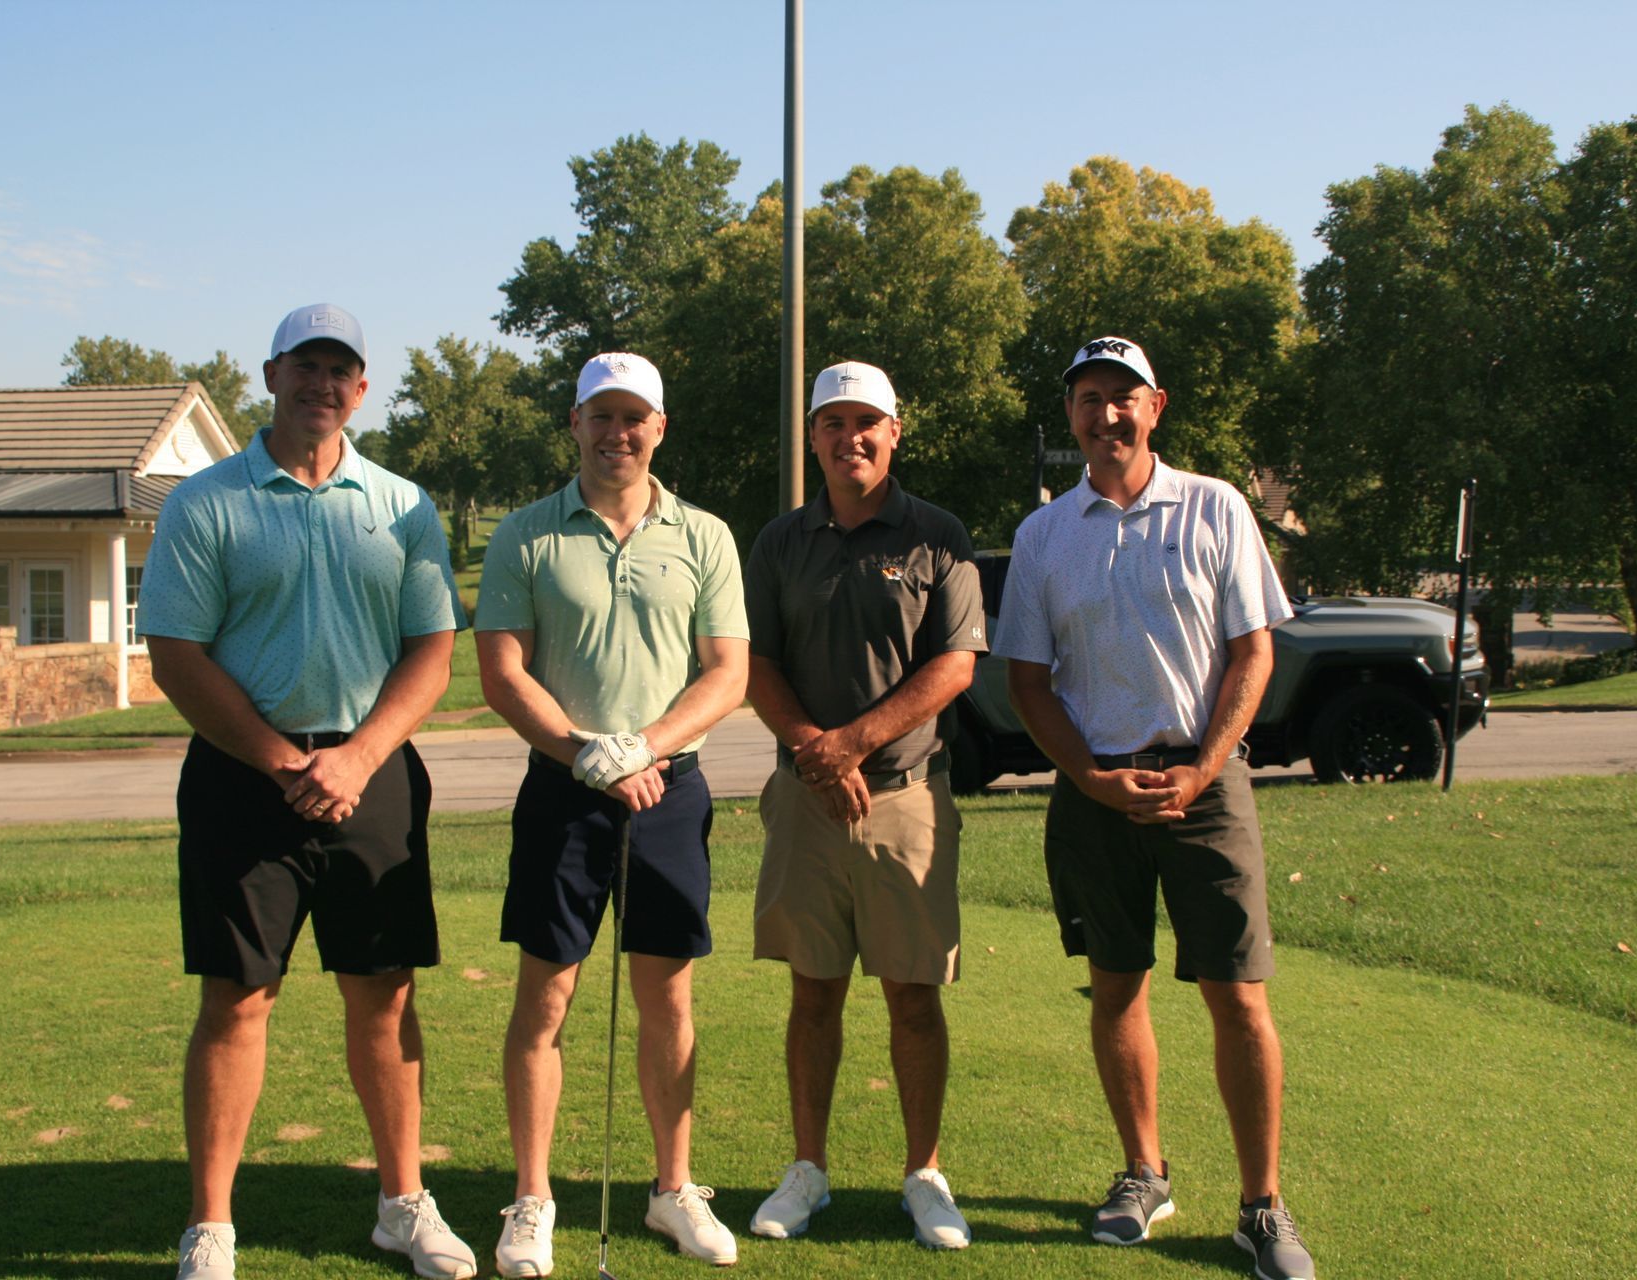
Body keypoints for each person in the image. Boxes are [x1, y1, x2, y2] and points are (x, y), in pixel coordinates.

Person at [139, 304, 474, 1280]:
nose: (322, 384)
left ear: (361, 390)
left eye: (341, 371)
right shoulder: (207, 502)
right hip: (244, 778)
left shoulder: (401, 504)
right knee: (238, 996)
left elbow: (432, 649)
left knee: (385, 992)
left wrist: (359, 757)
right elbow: (177, 654)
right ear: (272, 374)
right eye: (306, 366)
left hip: (372, 775)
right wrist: (284, 760)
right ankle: (211, 1224)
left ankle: (402, 1204)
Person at [991, 337, 1317, 1280]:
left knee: (1238, 995)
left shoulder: (1216, 506)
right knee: (1116, 985)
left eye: (1123, 397)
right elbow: (1028, 680)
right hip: (1095, 794)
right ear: (1071, 415)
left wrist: (1205, 768)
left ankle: (1261, 1206)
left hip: (1206, 788)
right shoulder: (1044, 533)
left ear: (1155, 406)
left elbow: (1253, 652)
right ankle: (1144, 1173)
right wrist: (1091, 778)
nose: (1106, 415)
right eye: (1089, 399)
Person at [475, 351, 750, 1274]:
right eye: (601, 415)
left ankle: (674, 1189)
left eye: (634, 417)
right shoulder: (526, 534)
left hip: (669, 791)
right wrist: (586, 752)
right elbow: (503, 671)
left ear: (659, 428)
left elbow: (727, 672)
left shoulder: (704, 535)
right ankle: (532, 1199)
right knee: (545, 993)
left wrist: (643, 747)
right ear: (575, 423)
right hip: (563, 792)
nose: (617, 432)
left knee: (666, 995)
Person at [741, 361, 986, 1250]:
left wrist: (853, 743)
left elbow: (954, 666)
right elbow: (755, 665)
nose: (852, 438)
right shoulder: (779, 541)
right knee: (814, 991)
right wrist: (818, 753)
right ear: (813, 436)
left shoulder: (937, 535)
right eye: (834, 423)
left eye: (867, 422)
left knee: (913, 996)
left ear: (895, 431)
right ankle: (808, 1170)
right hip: (806, 800)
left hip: (907, 797)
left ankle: (924, 1174)